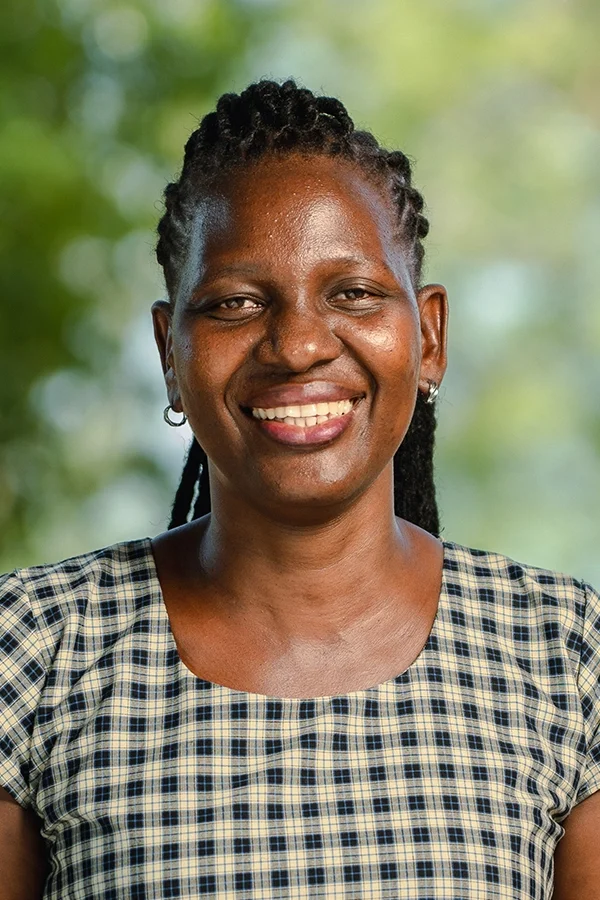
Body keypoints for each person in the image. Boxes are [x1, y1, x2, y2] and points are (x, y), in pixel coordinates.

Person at [0, 79, 598, 900]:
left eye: (352, 293)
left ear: (428, 336)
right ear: (170, 353)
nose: (298, 345)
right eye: (236, 303)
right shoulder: (34, 651)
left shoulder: (566, 655)